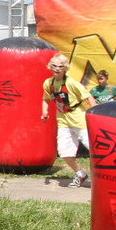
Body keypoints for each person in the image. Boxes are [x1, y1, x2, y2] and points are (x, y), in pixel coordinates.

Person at [41, 53, 93, 188]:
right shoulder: (48, 83)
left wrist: (97, 112)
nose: (57, 69)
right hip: (63, 121)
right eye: (54, 66)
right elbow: (46, 99)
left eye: (60, 66)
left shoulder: (71, 83)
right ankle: (80, 174)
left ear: (65, 68)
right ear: (50, 67)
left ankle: (104, 177)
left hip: (80, 120)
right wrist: (44, 112)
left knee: (94, 149)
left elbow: (87, 96)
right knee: (64, 151)